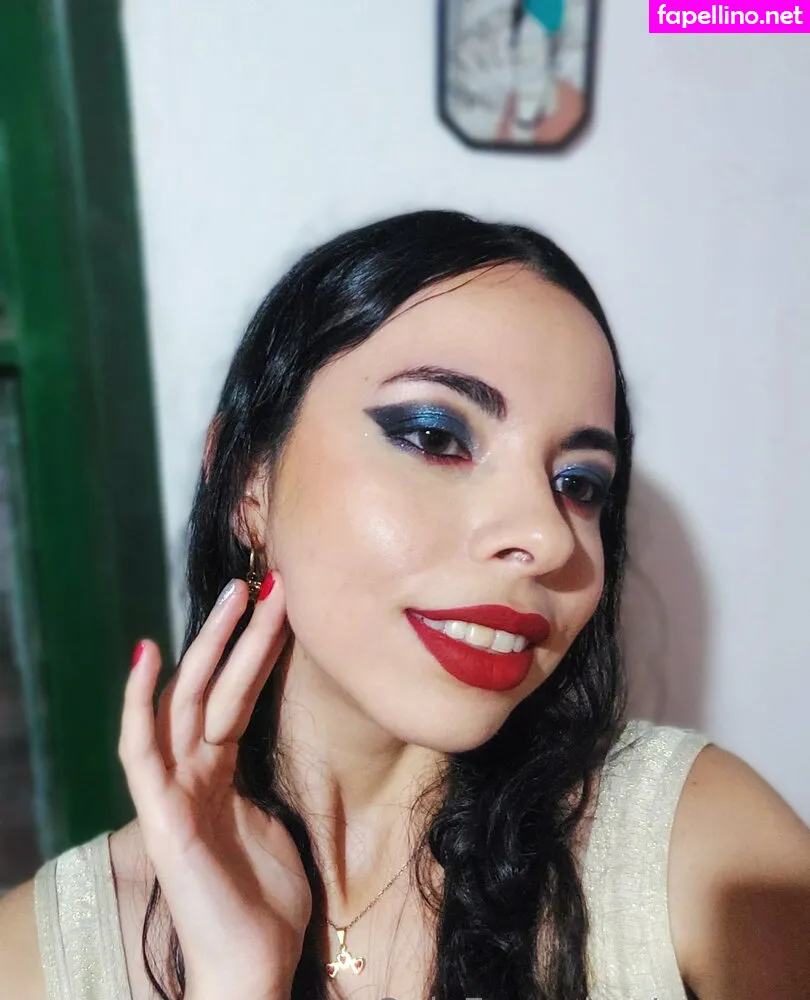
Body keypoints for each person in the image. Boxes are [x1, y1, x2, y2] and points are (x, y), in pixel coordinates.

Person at [0, 210, 808, 1000]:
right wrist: (238, 983)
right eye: (435, 436)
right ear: (250, 482)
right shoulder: (37, 959)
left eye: (579, 484)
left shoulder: (712, 861)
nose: (547, 536)